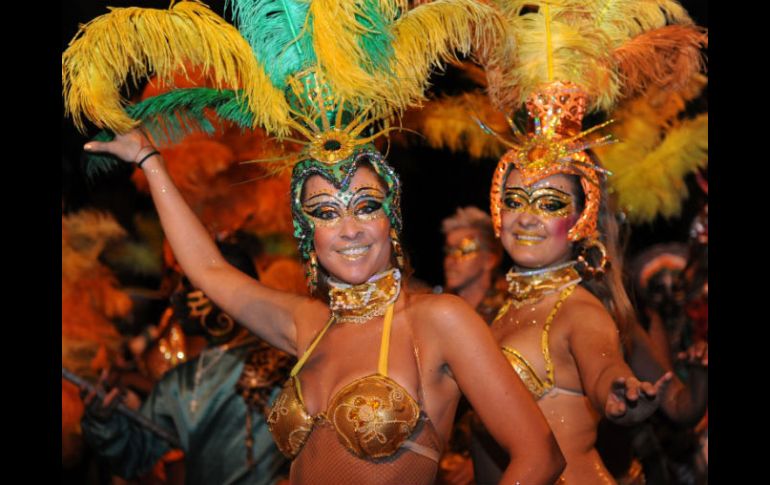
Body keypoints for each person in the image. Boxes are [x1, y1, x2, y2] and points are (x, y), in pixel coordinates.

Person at [66, 2, 565, 484]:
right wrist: (149, 160)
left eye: (365, 206)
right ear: (308, 234)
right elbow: (208, 271)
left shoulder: (439, 320)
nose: (349, 228)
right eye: (326, 213)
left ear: (390, 219)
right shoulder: (309, 325)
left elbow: (539, 455)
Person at [467, 1, 706, 482]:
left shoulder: (580, 310)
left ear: (582, 217)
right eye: (515, 199)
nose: (527, 216)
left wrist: (618, 390)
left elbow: (604, 367)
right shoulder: (505, 308)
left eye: (551, 203)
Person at [80, 243, 293, 485]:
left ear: (227, 291)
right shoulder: (179, 383)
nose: (177, 295)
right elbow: (136, 453)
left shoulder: (288, 357)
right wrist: (104, 421)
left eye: (189, 284)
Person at [441, 207, 506, 324]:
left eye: (464, 250)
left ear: (489, 260)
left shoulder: (507, 312)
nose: (450, 260)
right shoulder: (438, 310)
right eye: (449, 250)